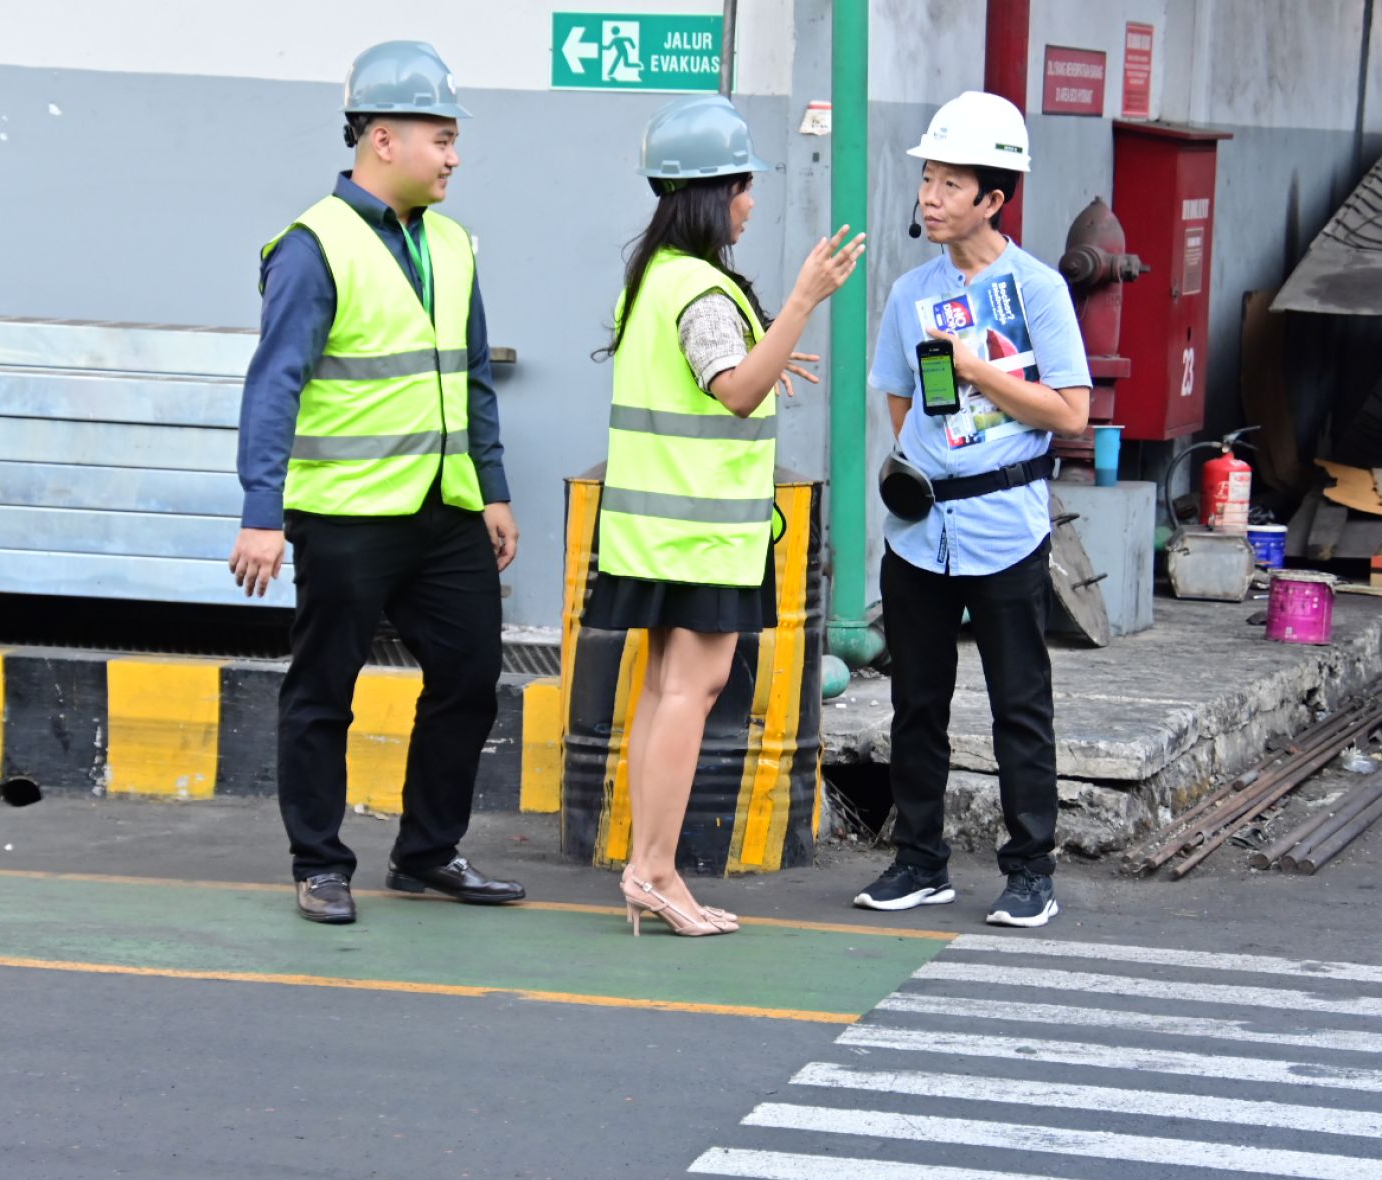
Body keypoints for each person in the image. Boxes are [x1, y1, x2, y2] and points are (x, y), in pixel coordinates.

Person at [229, 41, 526, 925]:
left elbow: (472, 376)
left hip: (445, 509)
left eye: (454, 138)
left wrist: (494, 488)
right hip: (346, 516)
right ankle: (319, 862)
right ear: (383, 139)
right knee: (325, 690)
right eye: (442, 138)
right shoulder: (312, 248)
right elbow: (274, 386)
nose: (454, 156)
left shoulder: (455, 244)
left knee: (470, 676)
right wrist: (261, 512)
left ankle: (427, 852)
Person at [591, 95, 864, 938]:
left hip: (653, 529)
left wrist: (769, 349)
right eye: (744, 187)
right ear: (714, 193)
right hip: (700, 534)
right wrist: (803, 301)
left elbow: (717, 377)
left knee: (663, 690)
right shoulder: (702, 290)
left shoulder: (658, 276)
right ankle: (655, 871)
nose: (750, 203)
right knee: (690, 691)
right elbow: (736, 391)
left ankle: (648, 868)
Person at [854, 92, 1092, 928]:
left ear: (993, 198)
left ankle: (1030, 872)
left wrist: (977, 371)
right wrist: (936, 460)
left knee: (1018, 705)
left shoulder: (1038, 291)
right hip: (920, 530)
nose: (930, 197)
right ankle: (920, 861)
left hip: (1006, 530)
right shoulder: (909, 292)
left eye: (950, 184)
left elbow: (1071, 412)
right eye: (927, 178)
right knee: (916, 702)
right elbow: (899, 402)